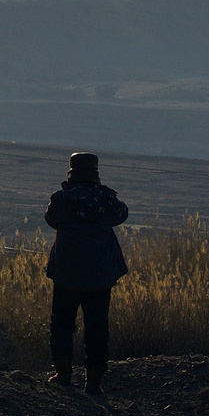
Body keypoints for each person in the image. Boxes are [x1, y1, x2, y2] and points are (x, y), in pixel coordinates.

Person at [43, 152, 129, 395]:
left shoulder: (61, 199)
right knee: (97, 328)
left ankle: (62, 374)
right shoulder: (106, 200)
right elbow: (122, 215)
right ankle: (94, 383)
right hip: (99, 278)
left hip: (66, 274)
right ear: (95, 172)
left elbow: (51, 220)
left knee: (61, 324)